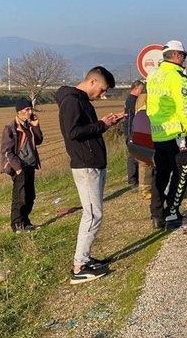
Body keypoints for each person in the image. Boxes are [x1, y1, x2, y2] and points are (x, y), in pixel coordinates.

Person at [57, 66, 125, 284]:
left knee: (93, 213)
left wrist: (105, 124)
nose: (102, 95)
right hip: (85, 165)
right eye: (103, 90)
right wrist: (101, 124)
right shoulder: (72, 101)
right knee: (93, 215)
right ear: (93, 82)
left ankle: (84, 259)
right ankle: (79, 266)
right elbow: (73, 132)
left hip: (93, 162)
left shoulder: (81, 100)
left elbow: (87, 129)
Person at [146, 40, 187, 229]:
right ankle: (172, 213)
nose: (184, 59)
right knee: (182, 174)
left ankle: (156, 215)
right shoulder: (178, 77)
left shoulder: (154, 75)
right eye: (184, 56)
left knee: (161, 175)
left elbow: (152, 106)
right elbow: (184, 109)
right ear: (177, 55)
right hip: (177, 134)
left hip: (159, 134)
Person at [0, 97, 43, 233]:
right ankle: (17, 225)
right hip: (19, 167)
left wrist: (36, 126)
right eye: (27, 109)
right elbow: (6, 151)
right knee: (20, 197)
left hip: (30, 165)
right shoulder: (10, 127)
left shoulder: (28, 126)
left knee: (30, 196)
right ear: (19, 111)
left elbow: (39, 140)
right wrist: (17, 168)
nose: (30, 112)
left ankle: (25, 222)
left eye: (31, 109)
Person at [124, 79, 145, 187]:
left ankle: (134, 177)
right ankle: (132, 179)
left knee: (134, 155)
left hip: (131, 129)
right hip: (131, 130)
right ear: (136, 88)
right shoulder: (132, 100)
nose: (142, 92)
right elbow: (131, 117)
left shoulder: (130, 99)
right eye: (141, 90)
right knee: (132, 155)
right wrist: (130, 134)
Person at [134, 92, 154, 201]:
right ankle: (145, 190)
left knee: (145, 164)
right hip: (145, 135)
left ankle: (146, 189)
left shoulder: (142, 98)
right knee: (145, 164)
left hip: (143, 134)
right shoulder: (145, 99)